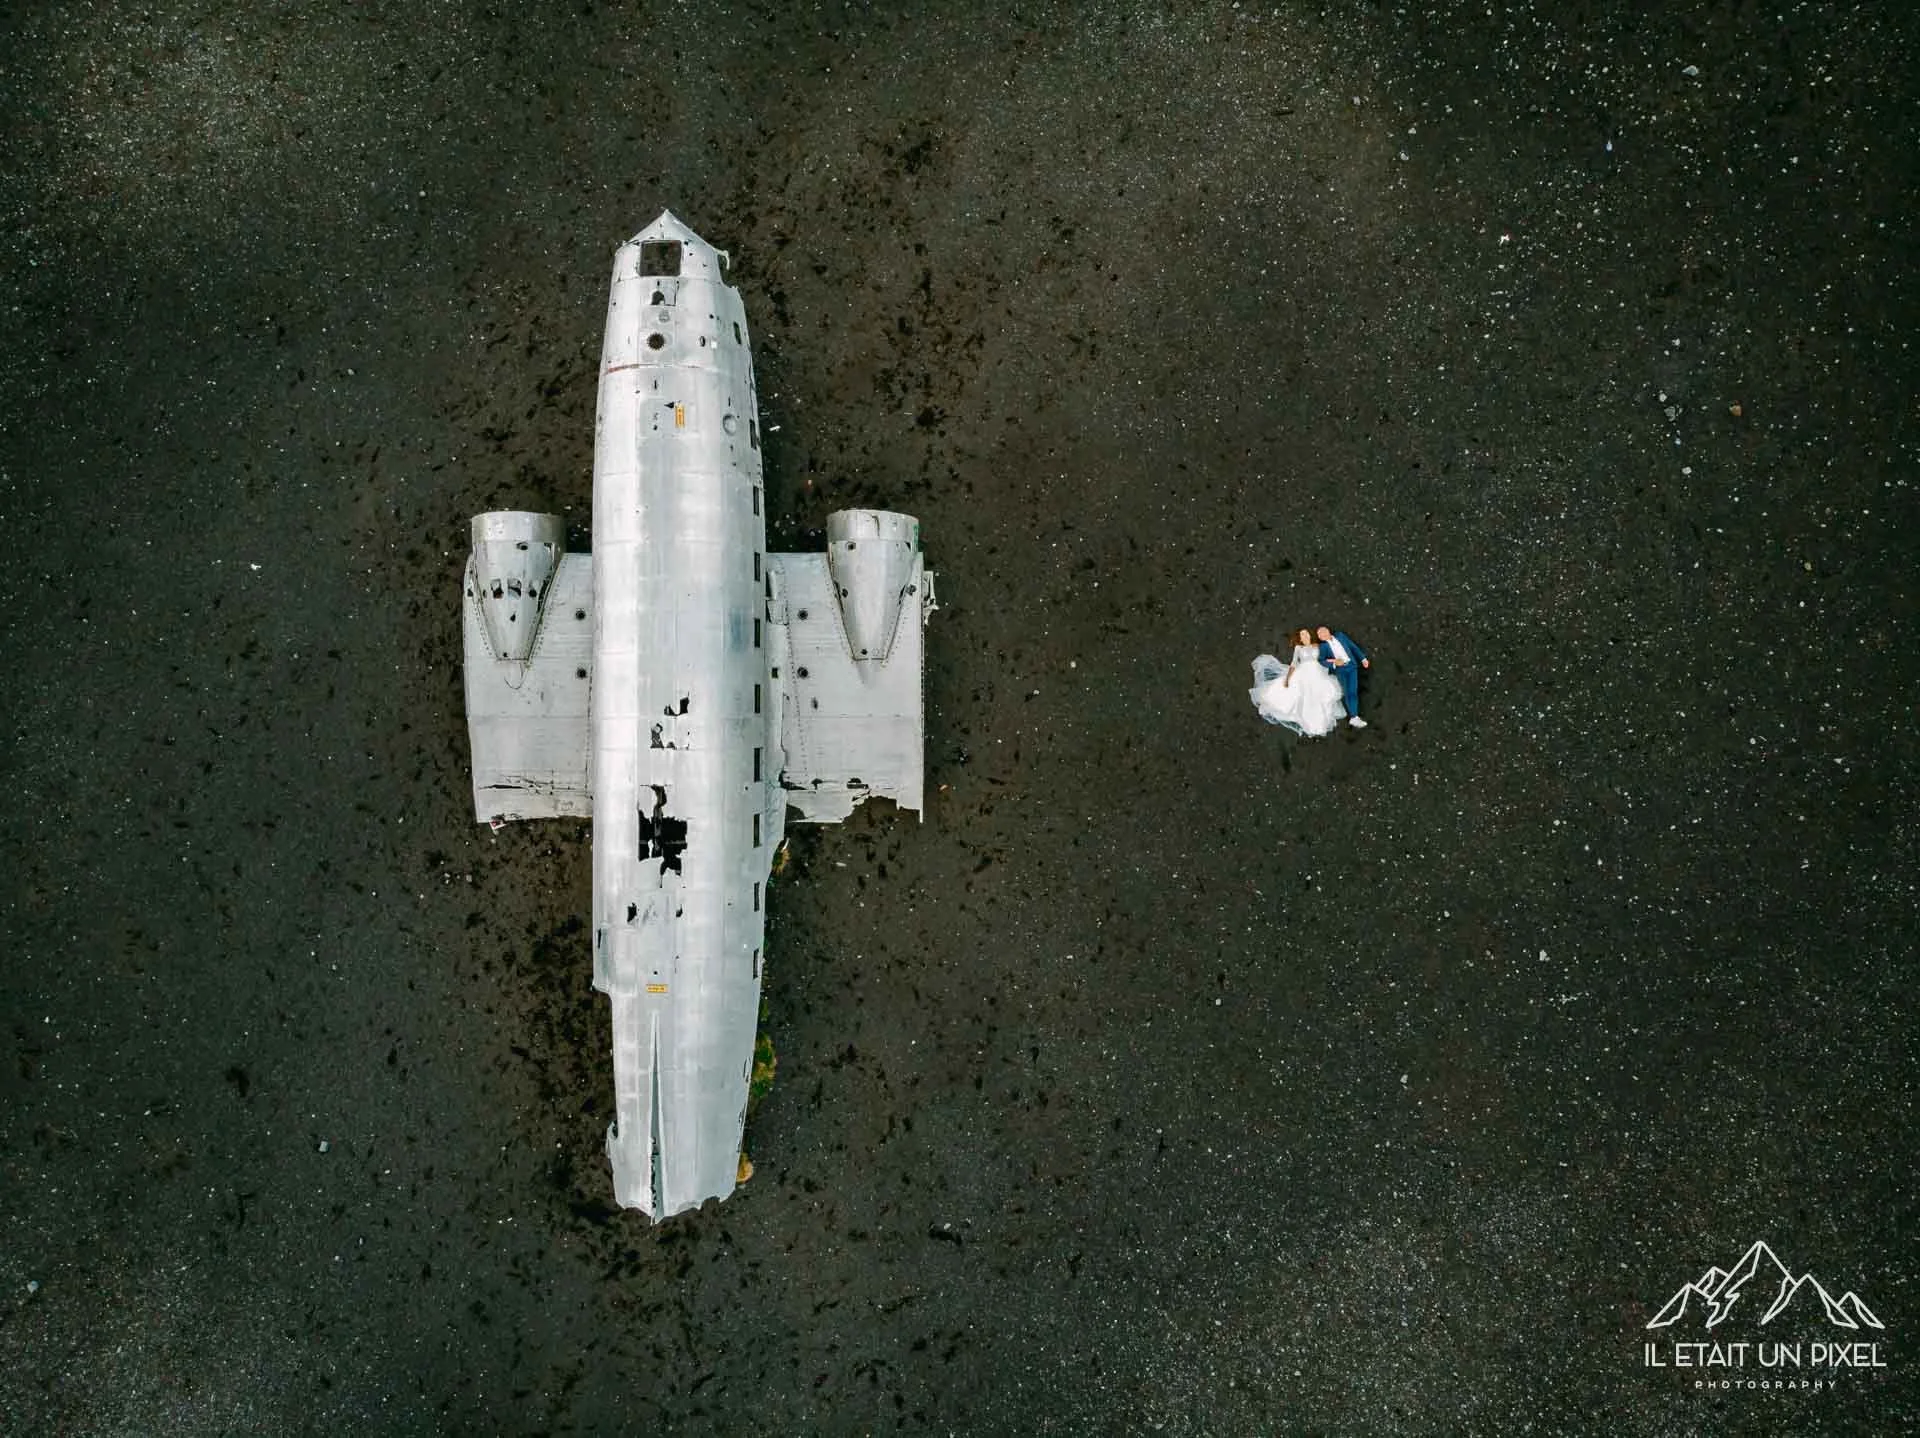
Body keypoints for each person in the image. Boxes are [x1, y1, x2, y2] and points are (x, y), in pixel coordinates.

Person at [1250, 629, 1347, 736]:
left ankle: (1316, 721)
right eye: (1302, 634)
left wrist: (1335, 661)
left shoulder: (1318, 646)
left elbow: (1324, 658)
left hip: (1318, 672)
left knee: (1319, 695)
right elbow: (1293, 664)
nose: (1305, 635)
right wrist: (1287, 678)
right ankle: (1310, 720)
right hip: (1303, 673)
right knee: (1301, 694)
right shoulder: (1299, 648)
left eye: (1306, 633)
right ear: (1300, 638)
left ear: (1310, 635)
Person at [1315, 625, 1370, 728]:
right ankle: (1354, 716)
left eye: (1323, 631)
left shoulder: (1340, 636)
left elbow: (1352, 646)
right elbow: (1321, 660)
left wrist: (1363, 658)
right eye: (1319, 634)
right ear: (1319, 637)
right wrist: (1334, 663)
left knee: (1353, 691)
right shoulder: (1323, 646)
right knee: (1347, 692)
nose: (1322, 634)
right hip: (1341, 670)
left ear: (1328, 630)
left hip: (1352, 666)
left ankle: (1354, 717)